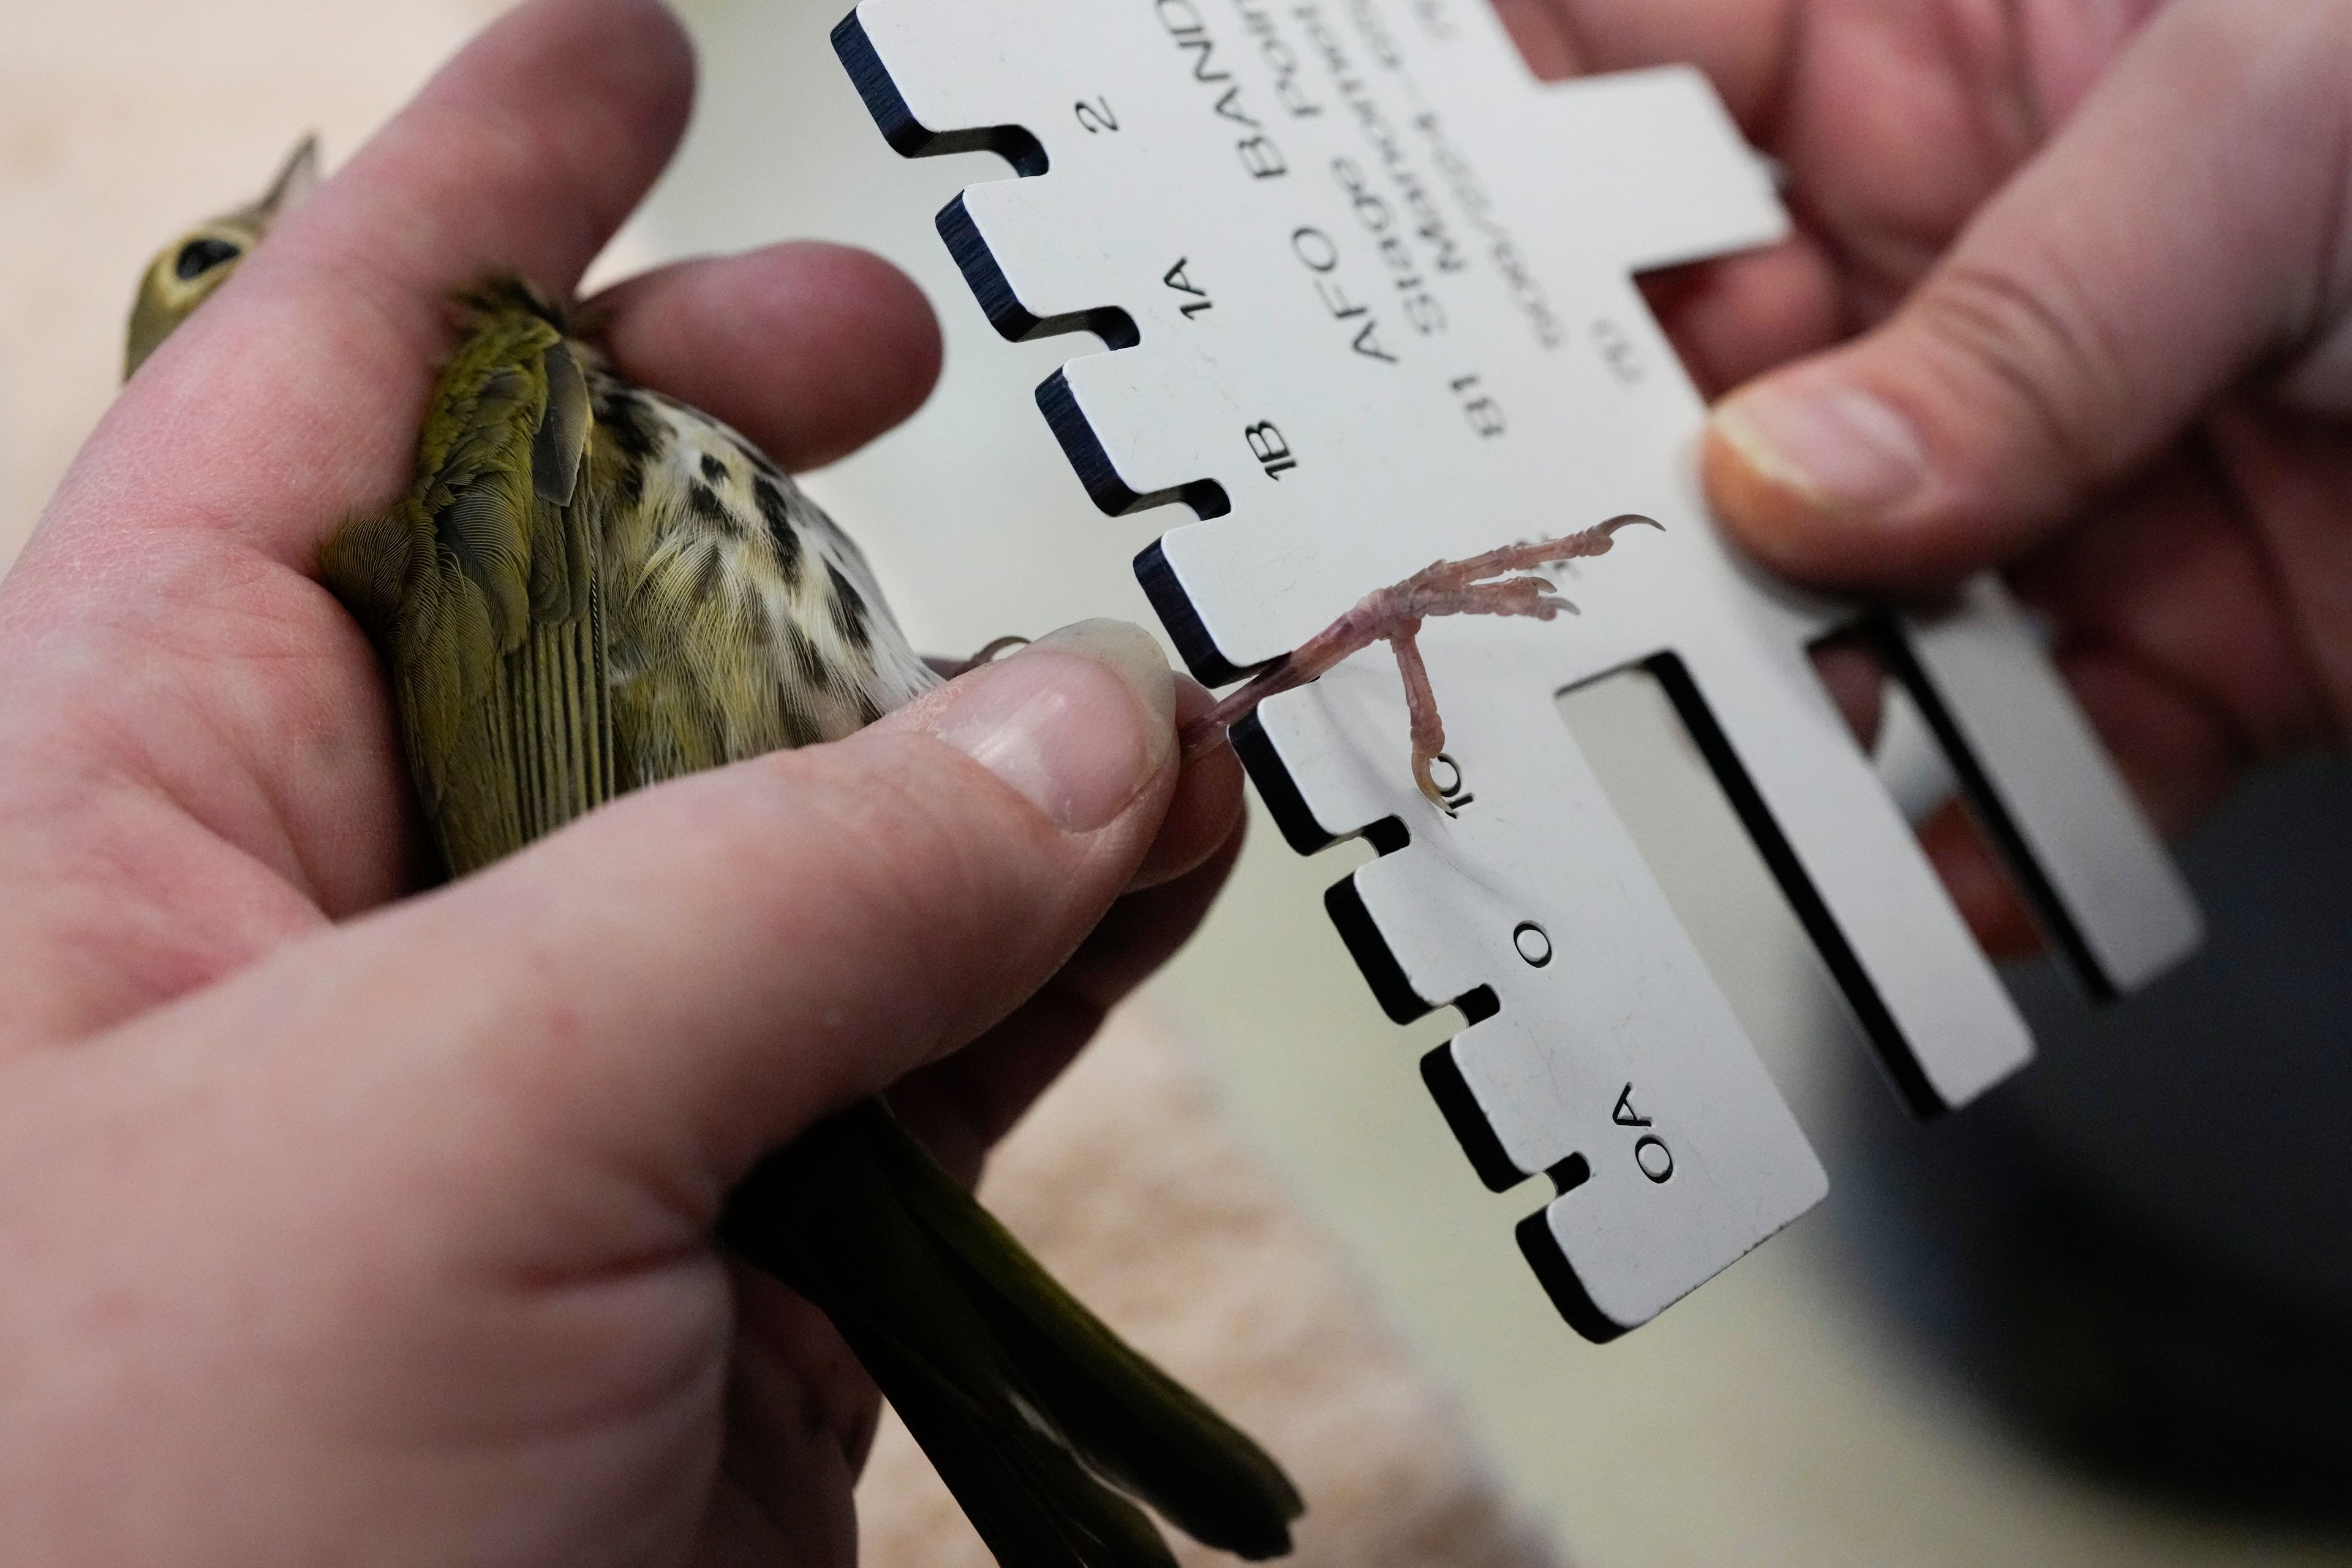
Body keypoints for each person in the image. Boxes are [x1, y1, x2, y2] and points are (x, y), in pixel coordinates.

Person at [0, 0, 2340, 1561]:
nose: (284, 225)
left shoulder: (496, 437)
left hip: (711, 825)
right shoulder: (484, 430)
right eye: (227, 255)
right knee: (1010, 976)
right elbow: (606, 776)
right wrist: (922, 810)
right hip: (692, 799)